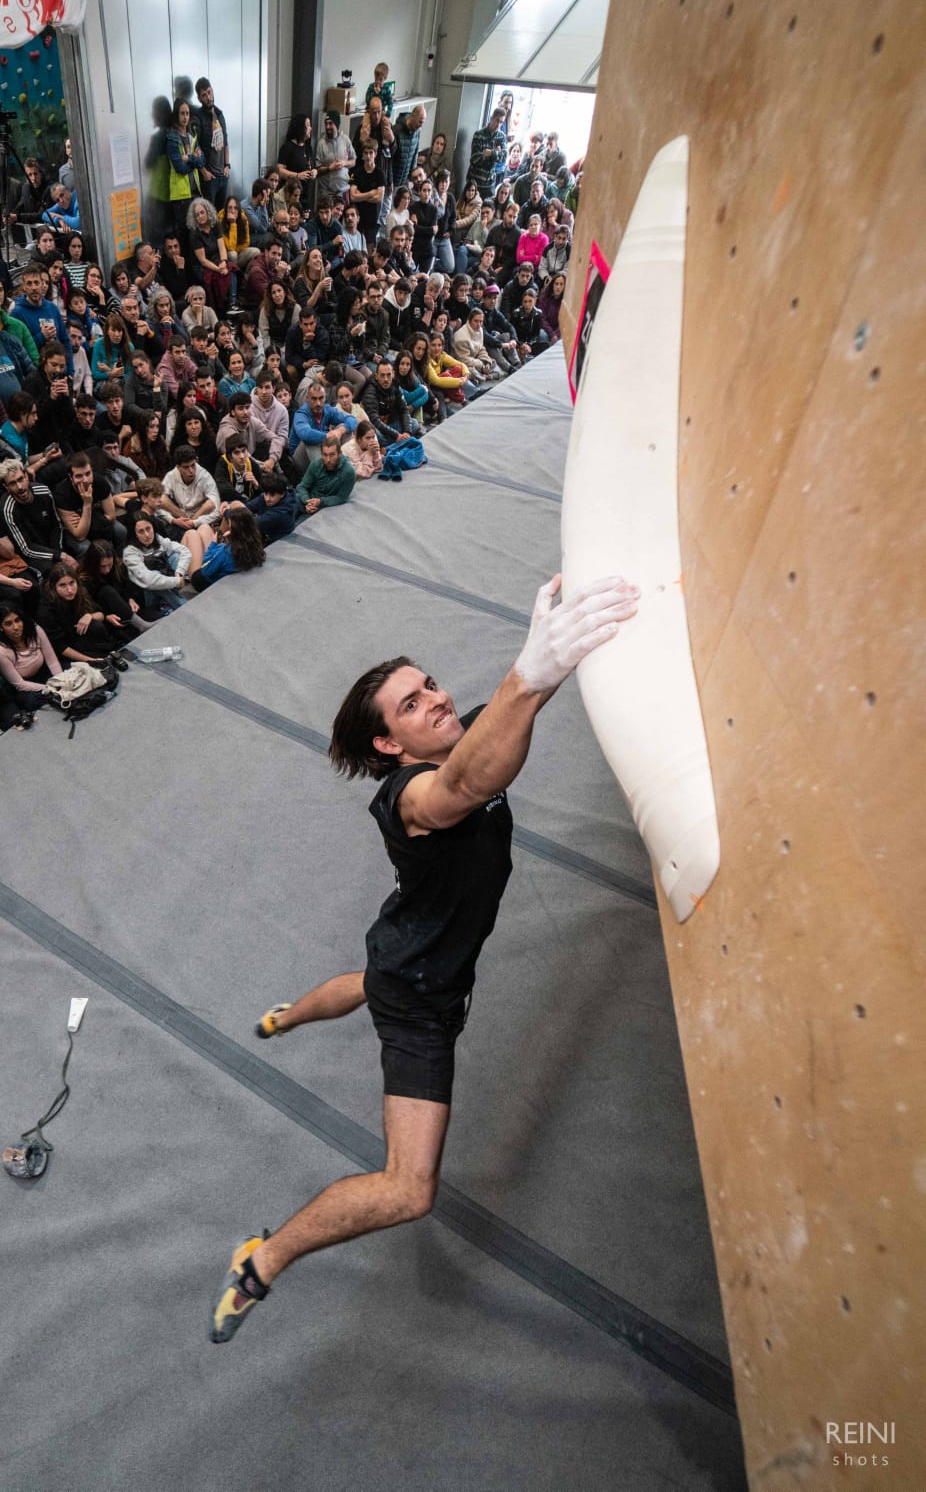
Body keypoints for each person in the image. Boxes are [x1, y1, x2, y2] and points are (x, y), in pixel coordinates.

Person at [208, 573, 641, 1342]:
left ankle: (282, 1015)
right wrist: (529, 673)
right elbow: (464, 785)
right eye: (411, 705)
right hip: (421, 998)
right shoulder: (406, 795)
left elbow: (504, 727)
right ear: (388, 745)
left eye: (430, 685)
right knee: (410, 1189)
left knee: (360, 982)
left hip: (402, 949)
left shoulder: (473, 731)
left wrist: (554, 646)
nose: (436, 699)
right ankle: (263, 1256)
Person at [295, 431, 356, 514]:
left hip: (327, 506)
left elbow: (341, 497)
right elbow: (302, 486)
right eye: (325, 455)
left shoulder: (349, 472)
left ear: (339, 454)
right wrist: (308, 501)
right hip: (308, 500)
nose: (328, 459)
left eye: (332, 455)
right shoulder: (316, 464)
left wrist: (320, 502)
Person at [194, 78, 231, 211]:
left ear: (213, 91)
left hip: (223, 175)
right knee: (210, 217)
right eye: (204, 95)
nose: (208, 98)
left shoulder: (220, 114)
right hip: (209, 178)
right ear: (199, 99)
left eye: (209, 92)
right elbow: (195, 147)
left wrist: (227, 165)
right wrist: (204, 172)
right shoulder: (197, 117)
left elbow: (226, 141)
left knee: (221, 215)